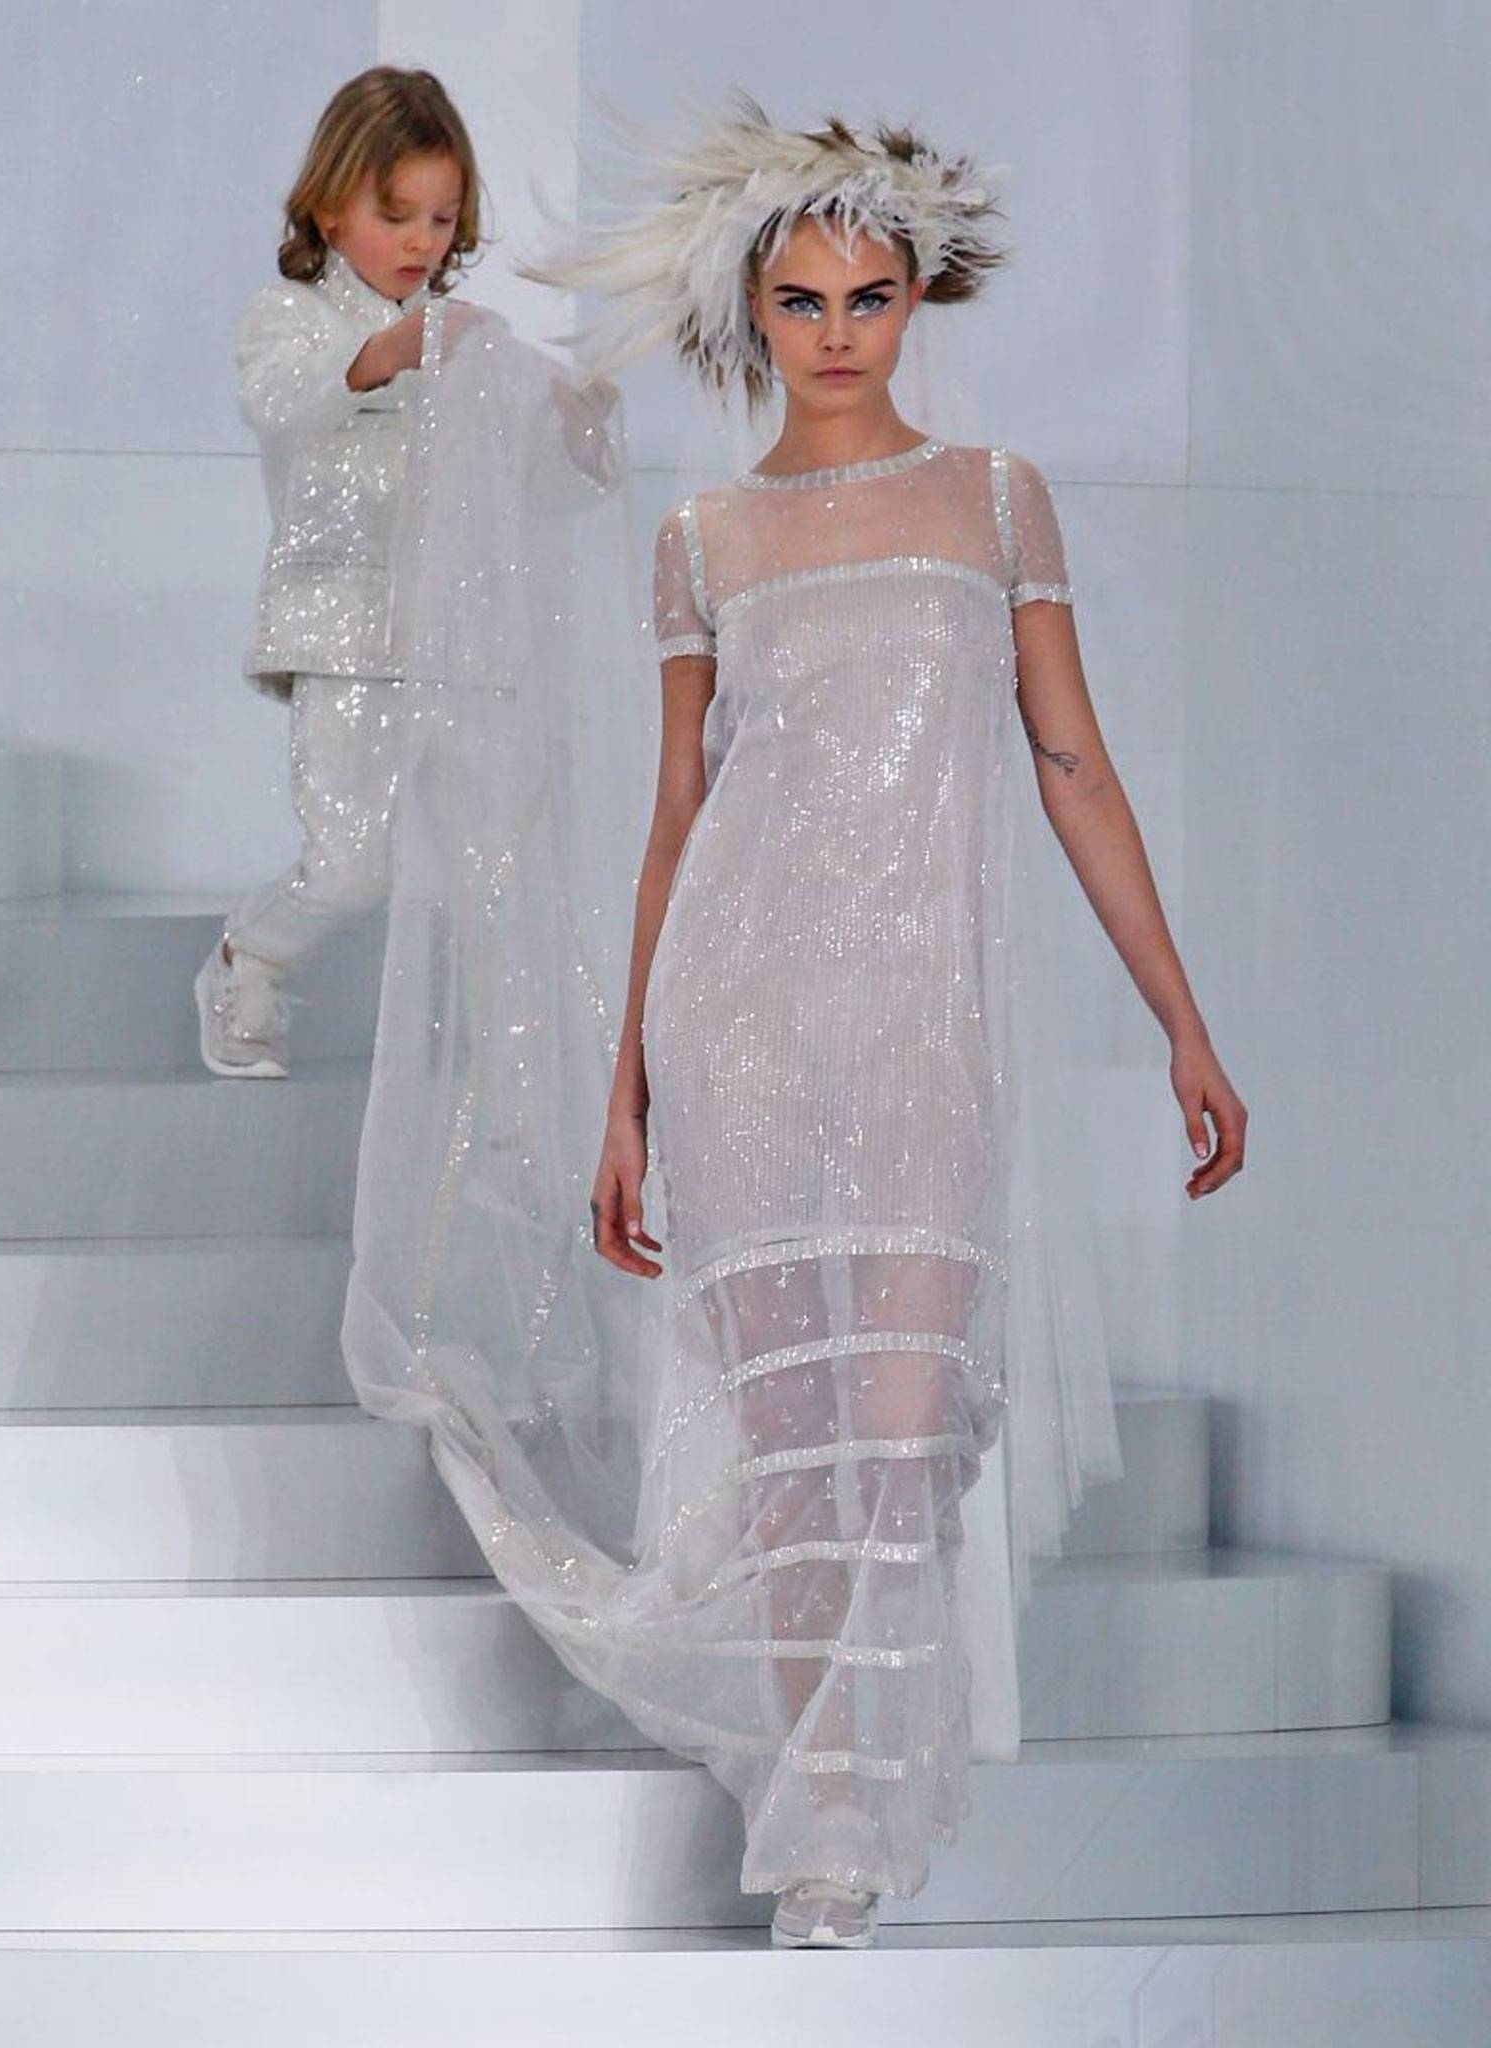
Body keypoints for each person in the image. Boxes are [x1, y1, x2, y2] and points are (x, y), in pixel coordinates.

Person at [340, 95, 1247, 1954]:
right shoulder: (706, 537)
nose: (839, 333)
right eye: (805, 299)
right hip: (739, 1024)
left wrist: (1182, 1020)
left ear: (919, 299)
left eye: (872, 296)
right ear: (752, 309)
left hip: (923, 1031)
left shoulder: (995, 499)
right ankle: (822, 1839)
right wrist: (626, 1099)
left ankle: (850, 1803)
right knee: (788, 1453)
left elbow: (1072, 765)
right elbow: (679, 818)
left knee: (894, 1435)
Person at [194, 66, 483, 1078]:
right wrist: (384, 356)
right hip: (337, 630)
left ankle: (484, 1065)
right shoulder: (291, 317)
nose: (422, 242)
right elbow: (282, 400)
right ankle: (250, 957)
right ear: (328, 208)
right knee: (353, 865)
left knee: (476, 856)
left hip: (450, 639)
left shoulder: (456, 337)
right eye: (396, 215)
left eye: (442, 218)